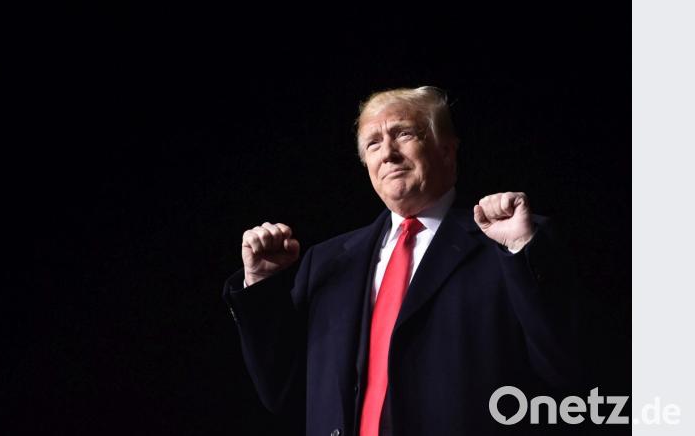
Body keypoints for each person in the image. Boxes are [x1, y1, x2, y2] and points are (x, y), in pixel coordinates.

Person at [223, 86, 578, 436]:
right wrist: (261, 283)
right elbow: (282, 392)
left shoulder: (508, 241)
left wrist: (521, 250)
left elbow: (567, 366)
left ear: (447, 150)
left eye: (403, 134)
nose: (387, 154)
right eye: (373, 144)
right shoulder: (327, 260)